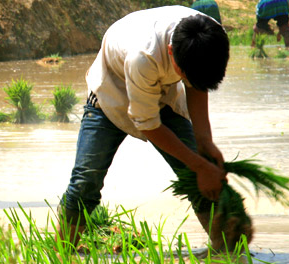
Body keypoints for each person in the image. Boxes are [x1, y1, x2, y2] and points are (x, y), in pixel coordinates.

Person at [57, 6, 233, 252]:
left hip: (163, 92)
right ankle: (62, 252)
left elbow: (196, 85)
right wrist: (200, 165)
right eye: (185, 74)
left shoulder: (209, 36)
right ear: (171, 53)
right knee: (86, 179)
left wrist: (205, 143)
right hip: (111, 91)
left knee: (196, 175)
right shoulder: (143, 55)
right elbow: (148, 124)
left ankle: (225, 250)